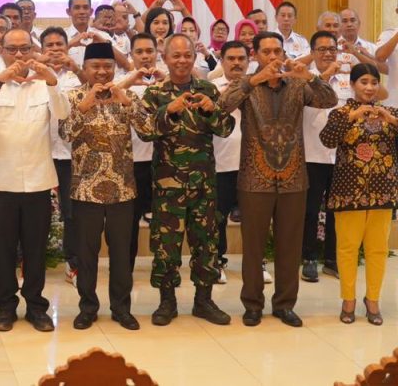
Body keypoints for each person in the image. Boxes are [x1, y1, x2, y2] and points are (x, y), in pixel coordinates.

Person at [220, 32, 338, 327]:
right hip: (254, 179)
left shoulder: (298, 84)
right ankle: (252, 304)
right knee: (253, 248)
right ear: (256, 56)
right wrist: (253, 80)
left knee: (289, 246)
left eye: (277, 51)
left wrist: (309, 75)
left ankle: (285, 304)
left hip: (293, 178)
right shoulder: (246, 85)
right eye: (266, 52)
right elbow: (223, 104)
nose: (273, 57)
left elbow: (329, 99)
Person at [0, 28, 69, 333]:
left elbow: (64, 111)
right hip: (0, 182)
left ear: (34, 50)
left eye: (25, 49)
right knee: (2, 249)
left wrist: (51, 80)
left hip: (38, 181)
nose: (19, 55)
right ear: (1, 52)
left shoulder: (46, 85)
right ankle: (5, 308)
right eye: (12, 50)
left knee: (36, 249)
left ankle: (37, 307)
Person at [140, 35, 235, 327]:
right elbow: (144, 131)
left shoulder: (208, 89)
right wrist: (168, 111)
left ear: (194, 57)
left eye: (187, 55)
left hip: (203, 183)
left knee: (206, 242)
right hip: (168, 185)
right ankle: (167, 301)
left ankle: (203, 300)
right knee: (166, 244)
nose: (182, 61)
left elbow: (226, 129)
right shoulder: (155, 92)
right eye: (175, 56)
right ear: (165, 58)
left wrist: (212, 110)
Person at [60, 41, 150, 331]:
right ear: (84, 69)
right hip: (86, 189)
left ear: (114, 69)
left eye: (107, 67)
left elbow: (148, 132)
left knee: (122, 253)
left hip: (123, 189)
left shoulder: (128, 96)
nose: (101, 72)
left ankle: (121, 308)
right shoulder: (73, 97)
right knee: (86, 255)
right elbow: (65, 134)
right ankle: (87, 307)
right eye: (95, 67)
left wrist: (126, 103)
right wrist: (85, 106)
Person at [319, 63, 398, 325]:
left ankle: (372, 300)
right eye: (363, 82)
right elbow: (327, 139)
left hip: (382, 192)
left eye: (374, 82)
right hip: (348, 193)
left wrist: (391, 120)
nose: (369, 87)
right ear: (352, 85)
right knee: (347, 248)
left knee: (377, 250)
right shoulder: (341, 113)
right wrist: (353, 116)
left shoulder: (389, 113)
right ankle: (348, 300)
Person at [300, 31, 349, 284]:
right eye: (322, 49)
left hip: (340, 156)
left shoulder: (348, 79)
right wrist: (326, 74)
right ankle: (308, 258)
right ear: (312, 51)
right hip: (311, 154)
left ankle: (332, 258)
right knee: (310, 210)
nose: (328, 53)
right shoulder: (305, 79)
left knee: (336, 210)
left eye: (332, 49)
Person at [38, 26, 84, 287]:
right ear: (42, 49)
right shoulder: (34, 75)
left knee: (71, 212)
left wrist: (76, 68)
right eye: (49, 45)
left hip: (69, 154)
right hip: (40, 152)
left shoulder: (78, 75)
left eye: (59, 45)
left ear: (68, 48)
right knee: (36, 213)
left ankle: (73, 264)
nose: (55, 50)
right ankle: (31, 262)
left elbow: (94, 89)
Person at [116, 33, 161, 273]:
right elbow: (108, 97)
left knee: (163, 220)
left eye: (149, 51)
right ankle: (126, 270)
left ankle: (163, 268)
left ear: (157, 53)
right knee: (129, 222)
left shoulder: (165, 81)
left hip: (161, 161)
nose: (145, 56)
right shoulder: (121, 82)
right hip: (130, 164)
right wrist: (130, 80)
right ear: (131, 55)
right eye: (139, 52)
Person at [210, 41, 248, 284]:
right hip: (220, 164)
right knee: (218, 218)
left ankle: (256, 264)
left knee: (254, 219)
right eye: (231, 58)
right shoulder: (211, 88)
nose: (236, 63)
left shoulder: (259, 86)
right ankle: (217, 261)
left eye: (241, 58)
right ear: (222, 60)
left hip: (251, 165)